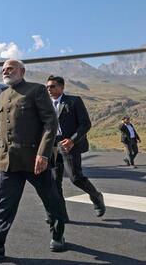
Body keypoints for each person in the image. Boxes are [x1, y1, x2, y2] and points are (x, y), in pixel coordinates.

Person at [0, 59, 68, 259]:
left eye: (10, 68)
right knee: (3, 205)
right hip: (8, 161)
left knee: (51, 199)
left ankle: (57, 235)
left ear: (22, 71)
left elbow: (51, 122)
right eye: (4, 69)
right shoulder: (1, 96)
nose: (6, 71)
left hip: (34, 160)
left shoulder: (36, 90)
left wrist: (43, 154)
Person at [45, 75, 105, 221]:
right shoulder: (44, 105)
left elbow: (85, 124)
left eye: (52, 86)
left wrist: (72, 140)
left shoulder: (74, 101)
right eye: (47, 87)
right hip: (52, 146)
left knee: (75, 178)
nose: (49, 89)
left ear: (62, 87)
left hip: (70, 145)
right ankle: (60, 215)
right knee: (54, 181)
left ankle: (96, 196)